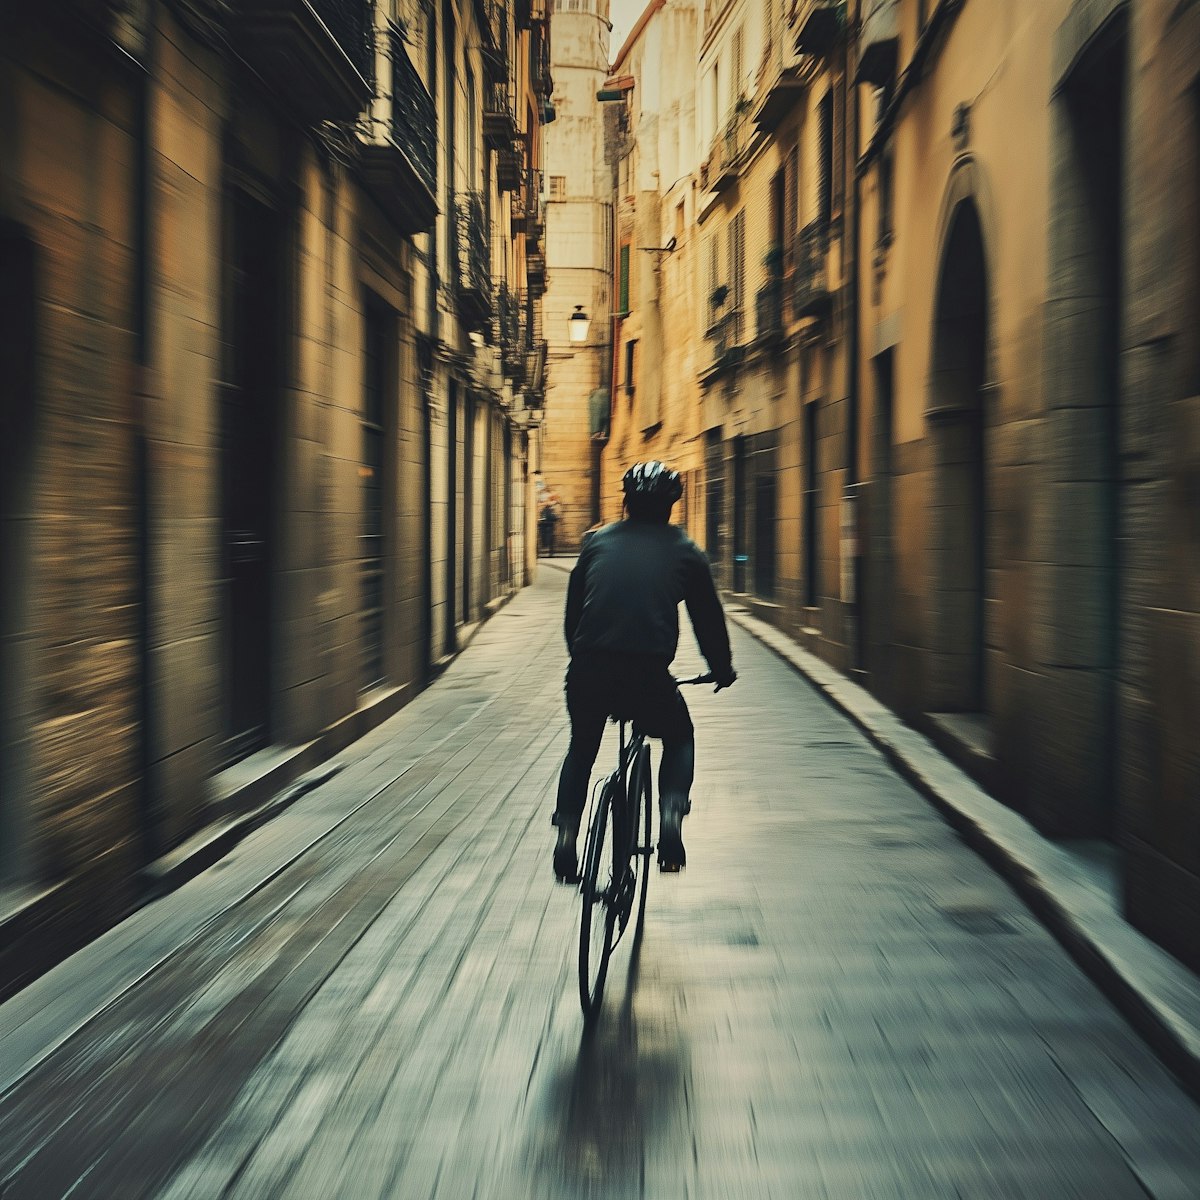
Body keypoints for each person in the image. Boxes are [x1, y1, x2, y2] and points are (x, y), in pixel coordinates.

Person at [552, 461, 736, 881]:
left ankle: (566, 832)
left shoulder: (596, 543)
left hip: (588, 669)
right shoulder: (686, 552)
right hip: (647, 676)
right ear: (672, 505)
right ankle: (670, 819)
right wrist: (721, 669)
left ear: (625, 501)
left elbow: (573, 614)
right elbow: (707, 620)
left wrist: (582, 659)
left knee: (582, 748)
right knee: (678, 734)